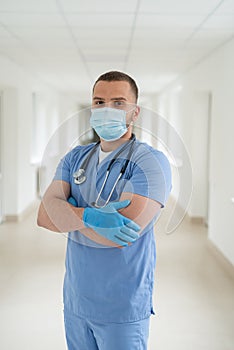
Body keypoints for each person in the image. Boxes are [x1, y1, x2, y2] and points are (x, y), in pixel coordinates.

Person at [37, 71, 172, 350]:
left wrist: (68, 211)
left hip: (122, 306)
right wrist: (90, 216)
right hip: (76, 301)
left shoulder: (151, 163)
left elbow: (118, 235)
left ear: (135, 113)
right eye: (99, 102)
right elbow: (44, 216)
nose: (107, 109)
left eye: (118, 102)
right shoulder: (76, 157)